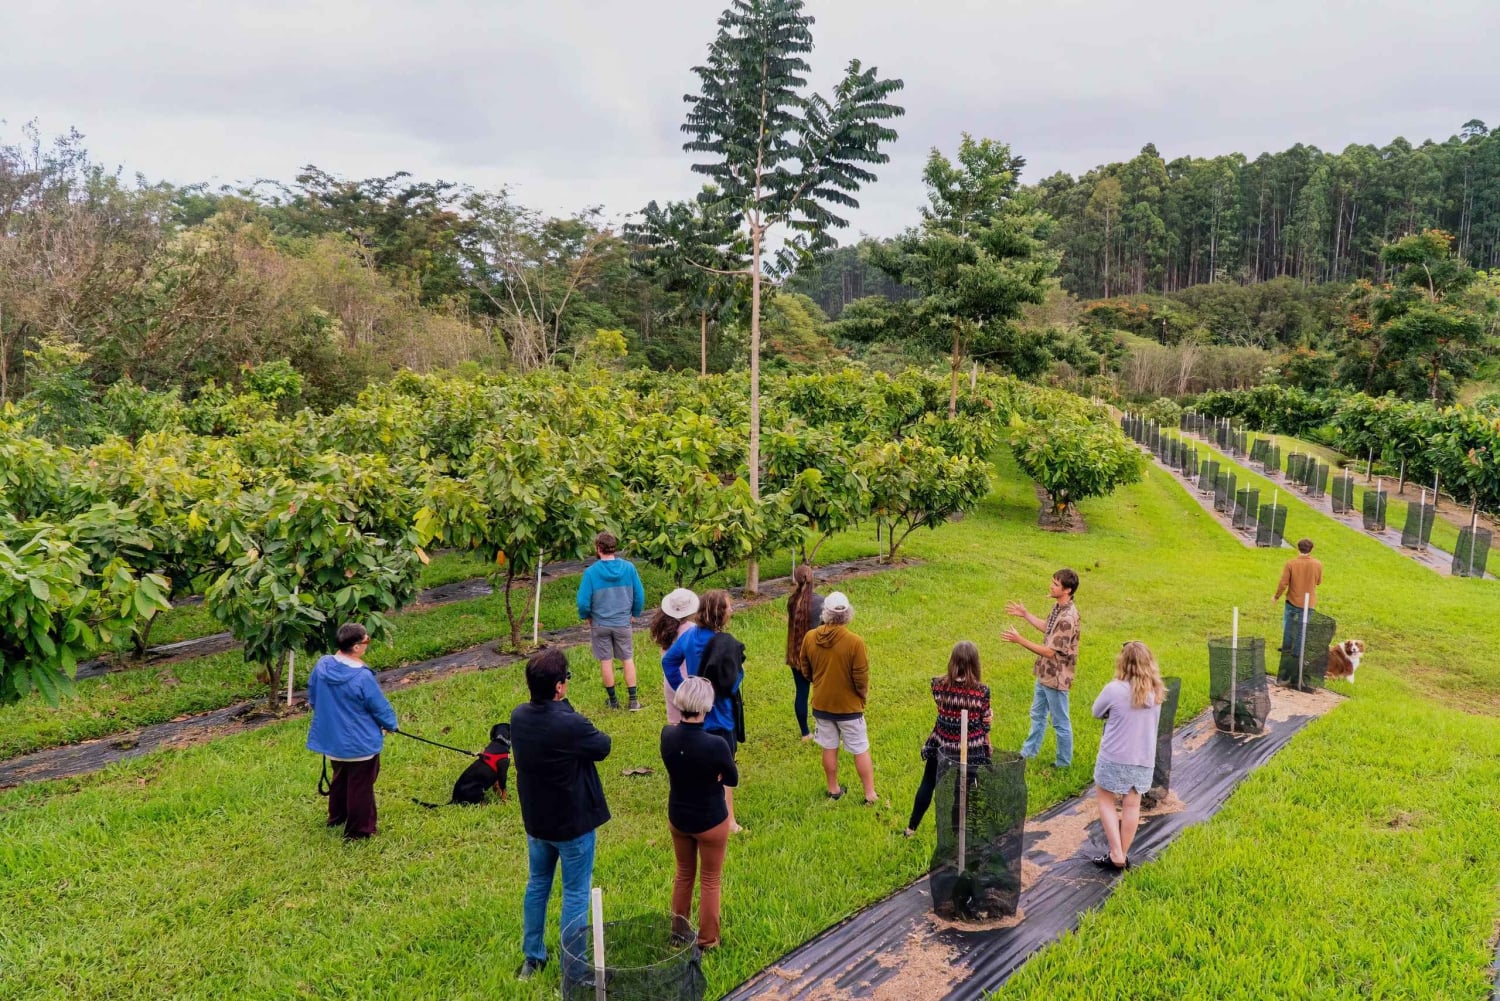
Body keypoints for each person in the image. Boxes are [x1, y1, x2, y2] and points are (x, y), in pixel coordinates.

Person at [511, 648, 612, 981]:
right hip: (572, 824)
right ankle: (576, 967)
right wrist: (566, 710)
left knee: (537, 885)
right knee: (575, 893)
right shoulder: (570, 723)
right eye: (565, 678)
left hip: (537, 822)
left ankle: (533, 958)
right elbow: (603, 746)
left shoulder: (518, 716)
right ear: (558, 686)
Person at [660, 676, 739, 949]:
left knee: (683, 873)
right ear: (706, 705)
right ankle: (708, 940)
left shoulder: (667, 735)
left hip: (679, 816)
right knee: (710, 879)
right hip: (710, 819)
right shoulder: (715, 744)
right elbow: (732, 777)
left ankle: (678, 934)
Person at [306, 623, 398, 840]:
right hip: (359, 743)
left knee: (340, 778)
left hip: (331, 739)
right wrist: (391, 724)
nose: (367, 644)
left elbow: (313, 694)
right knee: (361, 786)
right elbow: (379, 707)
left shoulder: (322, 665)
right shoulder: (362, 677)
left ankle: (337, 816)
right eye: (367, 641)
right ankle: (359, 831)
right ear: (356, 647)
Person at [665, 590, 744, 831]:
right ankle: (729, 820)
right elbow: (734, 682)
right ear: (720, 614)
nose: (732, 610)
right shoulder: (726, 643)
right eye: (729, 607)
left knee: (697, 764)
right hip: (721, 715)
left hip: (696, 713)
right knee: (725, 765)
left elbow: (668, 662)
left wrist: (685, 688)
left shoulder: (689, 636)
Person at [904, 641, 992, 837]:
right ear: (975, 663)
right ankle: (956, 835)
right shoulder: (982, 691)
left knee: (928, 783)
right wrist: (988, 732)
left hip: (941, 745)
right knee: (962, 792)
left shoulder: (938, 686)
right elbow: (984, 722)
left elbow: (943, 702)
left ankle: (911, 829)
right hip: (970, 749)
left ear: (952, 661)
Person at [1089, 640, 1165, 870]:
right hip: (1143, 759)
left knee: (1106, 800)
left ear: (1123, 662)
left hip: (1113, 756)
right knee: (1132, 806)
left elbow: (1096, 712)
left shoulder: (1114, 689)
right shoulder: (1157, 693)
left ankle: (1116, 853)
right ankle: (1122, 853)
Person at [800, 591, 877, 805]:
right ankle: (870, 794)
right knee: (860, 748)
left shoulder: (810, 637)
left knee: (829, 746)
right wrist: (862, 696)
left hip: (822, 703)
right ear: (847, 613)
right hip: (849, 707)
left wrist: (820, 683)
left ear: (825, 612)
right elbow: (861, 677)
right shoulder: (855, 642)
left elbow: (805, 669)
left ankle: (833, 789)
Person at [1002, 568, 1081, 769]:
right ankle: (1028, 753)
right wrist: (1025, 614)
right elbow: (1047, 626)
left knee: (1060, 723)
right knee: (1037, 715)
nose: (1051, 586)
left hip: (1056, 677)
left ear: (1067, 590)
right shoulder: (1058, 607)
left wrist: (1020, 640)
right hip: (1045, 673)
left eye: (1055, 584)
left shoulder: (1067, 618)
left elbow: (1049, 652)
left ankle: (1063, 764)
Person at [576, 531, 646, 710]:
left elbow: (583, 602)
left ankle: (613, 701)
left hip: (600, 624)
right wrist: (634, 613)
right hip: (623, 622)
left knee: (606, 661)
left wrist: (587, 616)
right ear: (614, 548)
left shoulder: (591, 572)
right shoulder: (629, 568)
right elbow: (639, 594)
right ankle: (633, 700)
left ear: (598, 548)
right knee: (627, 659)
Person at [784, 564, 824, 741]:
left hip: (796, 654)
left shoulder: (791, 601)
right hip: (816, 655)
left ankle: (805, 733)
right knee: (821, 693)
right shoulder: (820, 602)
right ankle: (822, 730)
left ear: (796, 580)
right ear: (812, 579)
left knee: (801, 692)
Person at [652, 587, 700, 726]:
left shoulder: (664, 630)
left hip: (670, 682)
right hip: (689, 685)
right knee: (693, 723)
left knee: (675, 724)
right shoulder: (693, 630)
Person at [1274, 537, 1323, 654]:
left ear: (1298, 548)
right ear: (1311, 549)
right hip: (1308, 602)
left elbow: (1283, 583)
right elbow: (1319, 582)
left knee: (1288, 625)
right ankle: (1297, 652)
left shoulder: (1291, 563)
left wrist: (1276, 596)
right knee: (1302, 628)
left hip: (1292, 600)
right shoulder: (1318, 564)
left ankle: (1286, 648)